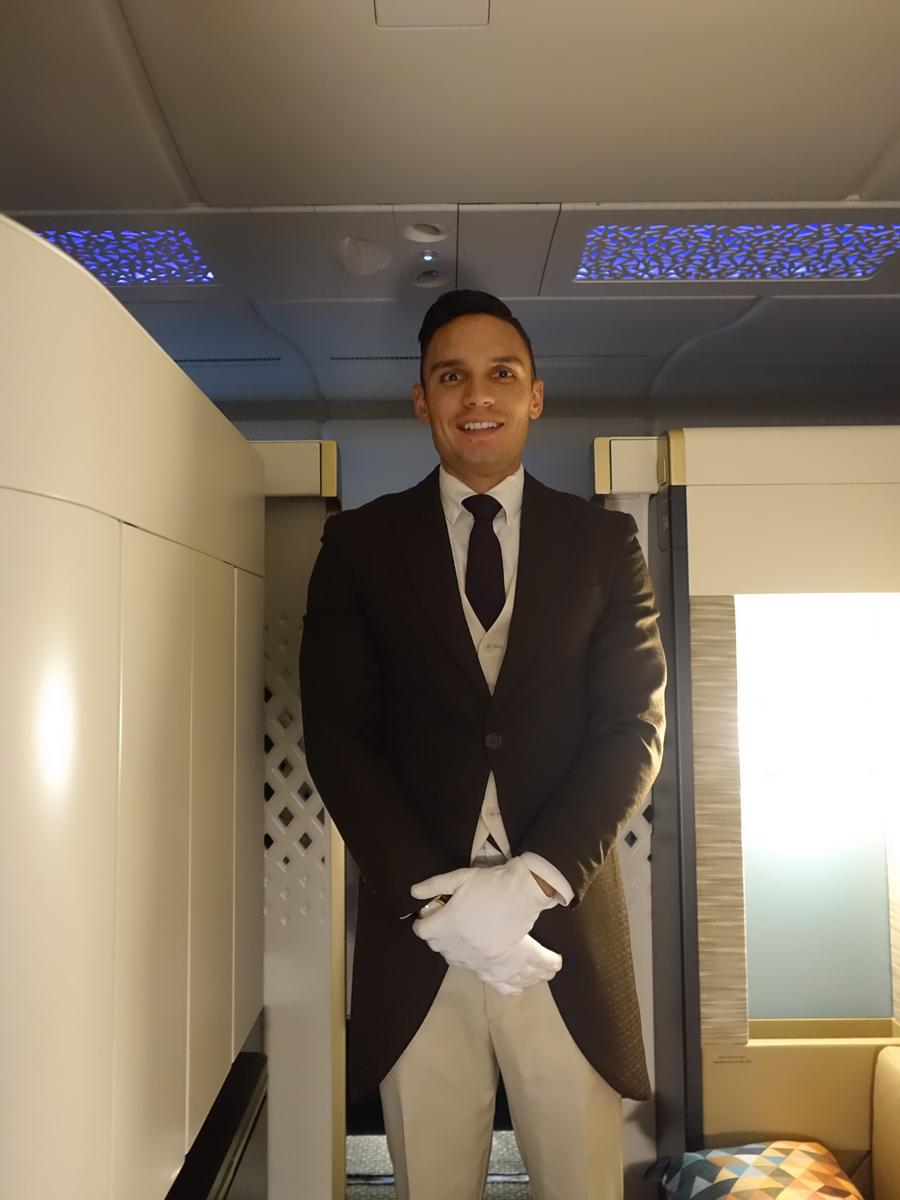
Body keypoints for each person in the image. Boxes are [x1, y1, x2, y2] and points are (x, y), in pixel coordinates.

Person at [299, 289, 666, 1200]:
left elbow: (633, 726)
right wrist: (443, 905)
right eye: (451, 375)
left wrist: (533, 877)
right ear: (422, 399)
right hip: (418, 941)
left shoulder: (604, 542)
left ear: (535, 394)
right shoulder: (355, 545)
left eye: (501, 373)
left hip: (561, 935)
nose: (478, 395)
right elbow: (339, 735)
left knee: (581, 1182)